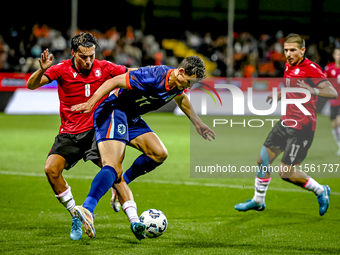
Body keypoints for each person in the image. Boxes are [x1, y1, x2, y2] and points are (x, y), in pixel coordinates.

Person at [71, 55, 216, 239]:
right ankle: (87, 209)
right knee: (114, 165)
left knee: (159, 153)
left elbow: (182, 99)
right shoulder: (153, 76)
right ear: (180, 72)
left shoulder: (176, 85)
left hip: (132, 117)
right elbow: (115, 81)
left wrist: (197, 123)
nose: (188, 87)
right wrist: (92, 103)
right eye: (189, 82)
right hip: (114, 110)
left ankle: (120, 188)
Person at [26, 32, 142, 241]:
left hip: (97, 131)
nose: (89, 61)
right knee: (51, 169)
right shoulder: (61, 69)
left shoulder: (104, 67)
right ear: (73, 53)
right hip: (70, 133)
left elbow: (133, 73)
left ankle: (135, 221)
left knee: (114, 171)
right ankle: (77, 217)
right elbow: (32, 85)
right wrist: (41, 70)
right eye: (83, 56)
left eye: (92, 56)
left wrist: (162, 74)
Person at [235, 34, 338, 215]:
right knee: (263, 160)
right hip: (286, 122)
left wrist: (312, 89)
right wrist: (279, 95)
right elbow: (292, 86)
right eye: (286, 50)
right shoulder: (288, 65)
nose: (288, 54)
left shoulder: (312, 68)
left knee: (286, 173)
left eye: (292, 50)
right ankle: (258, 201)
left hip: (303, 127)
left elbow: (332, 92)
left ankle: (320, 190)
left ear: (302, 50)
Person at [324, 47, 340, 156]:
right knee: (334, 125)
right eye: (337, 54)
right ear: (334, 55)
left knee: (339, 121)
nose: (339, 56)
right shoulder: (329, 68)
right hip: (334, 100)